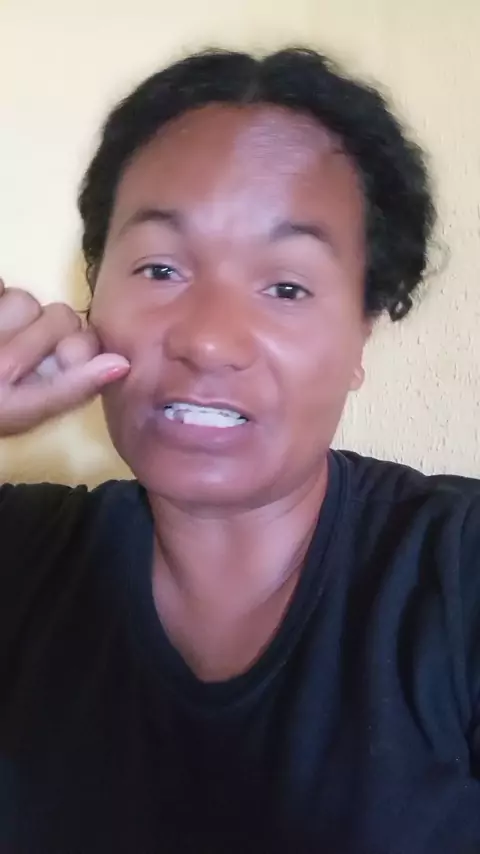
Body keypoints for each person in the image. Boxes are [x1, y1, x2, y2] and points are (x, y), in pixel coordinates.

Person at [0, 46, 479, 854]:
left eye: (286, 286)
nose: (210, 341)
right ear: (94, 296)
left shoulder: (457, 569)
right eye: (159, 269)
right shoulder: (19, 557)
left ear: (360, 337)